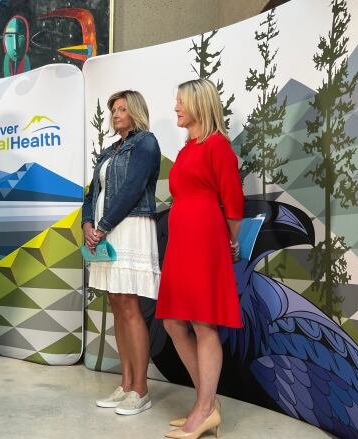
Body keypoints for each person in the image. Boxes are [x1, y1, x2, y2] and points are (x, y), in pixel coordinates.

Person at [156, 78, 244, 439]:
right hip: (182, 244)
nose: (175, 107)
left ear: (198, 104)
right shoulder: (188, 148)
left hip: (206, 242)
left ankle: (205, 408)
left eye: (180, 101)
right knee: (174, 324)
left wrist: (231, 244)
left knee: (203, 323)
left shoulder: (218, 146)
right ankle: (206, 403)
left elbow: (234, 205)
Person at [82, 90, 161, 416]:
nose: (115, 114)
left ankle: (141, 390)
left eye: (122, 109)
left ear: (136, 112)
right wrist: (88, 223)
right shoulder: (110, 150)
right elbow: (92, 192)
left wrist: (103, 224)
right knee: (116, 303)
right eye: (113, 109)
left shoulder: (146, 143)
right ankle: (126, 383)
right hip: (105, 231)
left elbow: (132, 188)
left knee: (129, 304)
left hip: (128, 228)